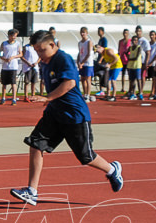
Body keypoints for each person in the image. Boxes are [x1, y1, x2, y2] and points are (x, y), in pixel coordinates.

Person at [9, 30, 124, 207]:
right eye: (36, 51)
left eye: (42, 50)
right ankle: (32, 192)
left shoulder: (63, 59)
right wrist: (50, 102)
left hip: (74, 115)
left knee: (85, 157)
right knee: (35, 144)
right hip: (54, 114)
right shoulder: (45, 63)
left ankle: (112, 170)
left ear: (53, 45)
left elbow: (69, 83)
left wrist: (48, 98)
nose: (40, 54)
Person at [0, 29, 21, 105]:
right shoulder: (4, 44)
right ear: (9, 36)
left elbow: (21, 54)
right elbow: (0, 54)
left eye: (15, 36)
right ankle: (3, 98)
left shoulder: (17, 44)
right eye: (13, 35)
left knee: (13, 83)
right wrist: (4, 58)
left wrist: (13, 57)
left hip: (13, 66)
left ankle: (14, 99)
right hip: (5, 67)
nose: (14, 37)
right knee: (4, 83)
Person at [75, 27, 94, 102]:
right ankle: (85, 93)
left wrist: (82, 62)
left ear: (87, 33)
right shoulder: (80, 43)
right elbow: (80, 53)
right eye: (81, 32)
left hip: (88, 63)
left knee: (88, 79)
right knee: (82, 79)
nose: (82, 34)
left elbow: (88, 53)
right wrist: (78, 62)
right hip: (81, 63)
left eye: (84, 32)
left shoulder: (89, 42)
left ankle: (88, 95)